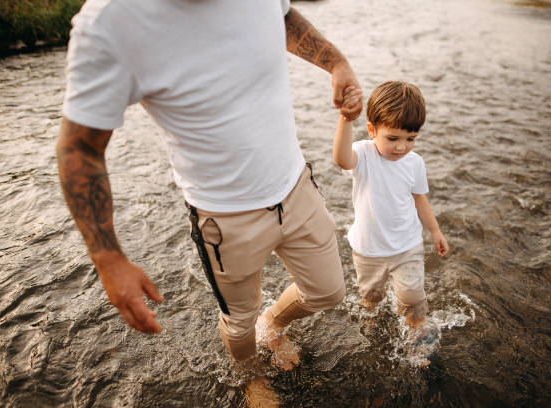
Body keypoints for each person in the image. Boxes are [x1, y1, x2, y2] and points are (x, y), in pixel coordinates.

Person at [56, 0, 363, 370]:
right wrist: (108, 258)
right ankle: (251, 377)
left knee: (328, 292)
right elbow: (80, 149)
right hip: (224, 219)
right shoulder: (112, 20)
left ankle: (274, 324)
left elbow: (281, 15)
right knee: (239, 323)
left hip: (297, 187)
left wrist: (335, 62)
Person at [333, 81, 449, 349]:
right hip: (368, 248)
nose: (402, 147)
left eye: (411, 138)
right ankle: (372, 331)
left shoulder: (414, 163)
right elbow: (341, 159)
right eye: (393, 138)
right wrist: (345, 119)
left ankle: (417, 336)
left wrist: (435, 231)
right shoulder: (363, 153)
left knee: (411, 298)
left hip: (406, 245)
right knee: (371, 297)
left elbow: (420, 199)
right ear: (372, 130)